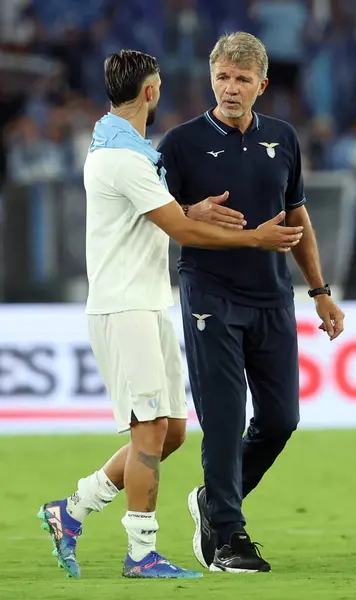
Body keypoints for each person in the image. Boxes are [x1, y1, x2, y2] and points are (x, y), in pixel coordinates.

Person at [36, 49, 304, 580]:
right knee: (149, 429)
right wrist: (251, 237)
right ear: (152, 91)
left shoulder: (129, 148)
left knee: (174, 430)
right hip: (125, 304)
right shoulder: (125, 158)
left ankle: (73, 509)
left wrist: (189, 208)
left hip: (150, 301)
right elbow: (178, 232)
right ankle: (141, 553)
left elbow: (160, 213)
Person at [157, 32, 345, 574]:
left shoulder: (284, 138)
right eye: (222, 77)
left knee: (282, 419)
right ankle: (228, 538)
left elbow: (297, 219)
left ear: (262, 85)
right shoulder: (180, 143)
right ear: (211, 79)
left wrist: (320, 290)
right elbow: (154, 217)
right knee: (221, 419)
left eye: (242, 79)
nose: (231, 88)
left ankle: (210, 502)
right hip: (208, 291)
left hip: (272, 296)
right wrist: (191, 211)